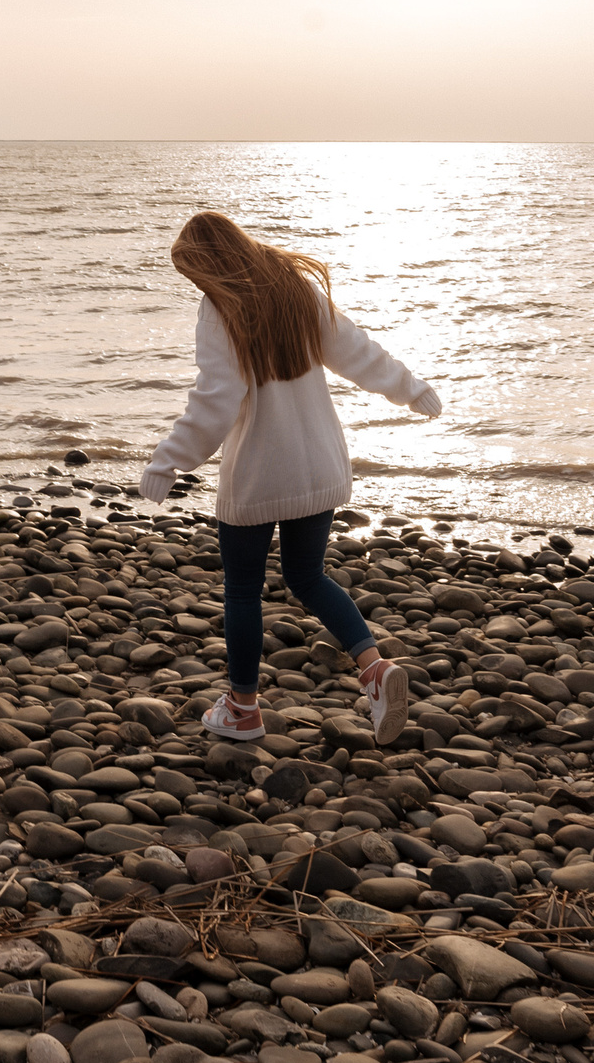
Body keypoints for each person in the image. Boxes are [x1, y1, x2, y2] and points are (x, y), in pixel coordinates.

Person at [139, 211, 443, 747]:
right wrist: (410, 388)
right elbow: (356, 349)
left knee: (242, 591)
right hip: (318, 464)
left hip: (260, 473)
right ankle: (373, 669)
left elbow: (215, 400)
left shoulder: (220, 307)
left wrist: (167, 462)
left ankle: (242, 709)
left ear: (208, 266)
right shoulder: (295, 287)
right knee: (307, 577)